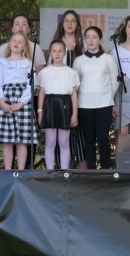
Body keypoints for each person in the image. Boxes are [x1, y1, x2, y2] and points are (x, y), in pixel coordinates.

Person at [0, 33, 39, 170]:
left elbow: (31, 84)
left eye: (20, 41)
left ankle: (21, 170)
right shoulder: (1, 63)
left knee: (22, 141)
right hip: (5, 100)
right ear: (9, 43)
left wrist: (21, 102)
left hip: (23, 102)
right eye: (14, 40)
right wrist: (2, 102)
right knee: (7, 141)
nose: (16, 43)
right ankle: (7, 171)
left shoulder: (29, 64)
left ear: (24, 46)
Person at [73, 26, 118, 169]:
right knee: (89, 140)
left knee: (103, 138)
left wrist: (108, 97)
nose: (91, 40)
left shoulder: (108, 59)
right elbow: (75, 84)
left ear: (100, 39)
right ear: (84, 40)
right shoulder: (78, 61)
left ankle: (106, 170)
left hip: (104, 104)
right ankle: (91, 171)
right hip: (84, 105)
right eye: (88, 37)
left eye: (94, 37)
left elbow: (115, 80)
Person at [37, 40, 80, 170]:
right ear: (50, 53)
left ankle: (64, 171)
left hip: (65, 105)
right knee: (50, 141)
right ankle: (49, 171)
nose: (57, 54)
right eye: (54, 51)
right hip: (50, 105)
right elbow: (41, 93)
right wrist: (40, 111)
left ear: (64, 53)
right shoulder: (44, 72)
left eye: (60, 51)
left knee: (63, 141)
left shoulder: (71, 72)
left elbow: (73, 94)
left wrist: (75, 114)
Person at [51, 10, 86, 168]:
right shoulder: (56, 45)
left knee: (79, 132)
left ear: (77, 24)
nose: (70, 23)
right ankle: (64, 171)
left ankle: (82, 172)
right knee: (61, 136)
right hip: (61, 96)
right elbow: (49, 70)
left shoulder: (83, 43)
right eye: (66, 20)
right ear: (62, 24)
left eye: (73, 20)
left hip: (81, 94)